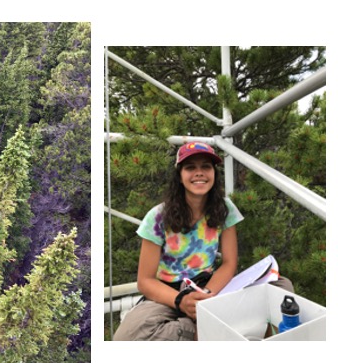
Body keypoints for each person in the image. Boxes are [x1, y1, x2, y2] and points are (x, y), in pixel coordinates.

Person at [113, 141, 293, 341]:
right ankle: (196, 324)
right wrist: (182, 301)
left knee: (281, 286)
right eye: (190, 167)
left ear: (214, 174)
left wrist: (207, 296)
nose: (199, 173)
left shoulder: (225, 209)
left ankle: (204, 321)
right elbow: (145, 281)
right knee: (126, 337)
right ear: (180, 177)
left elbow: (229, 263)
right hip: (169, 292)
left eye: (206, 167)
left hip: (209, 285)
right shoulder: (157, 217)